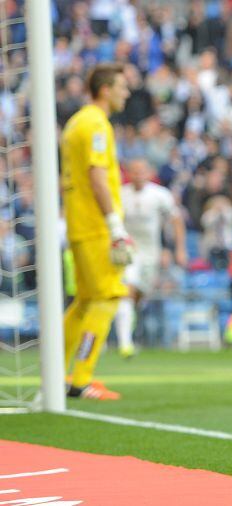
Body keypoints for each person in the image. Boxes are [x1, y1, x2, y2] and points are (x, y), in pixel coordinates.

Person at [60, 63, 132, 400]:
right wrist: (115, 224)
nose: (126, 92)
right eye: (121, 86)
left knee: (85, 301)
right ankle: (82, 378)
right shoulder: (96, 124)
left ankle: (56, 372)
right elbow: (97, 174)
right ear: (105, 89)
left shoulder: (77, 122)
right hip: (95, 226)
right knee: (108, 297)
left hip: (79, 223)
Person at [115, 158, 187, 358]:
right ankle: (125, 344)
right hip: (128, 251)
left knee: (139, 294)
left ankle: (129, 324)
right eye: (134, 171)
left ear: (148, 172)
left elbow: (175, 220)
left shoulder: (160, 195)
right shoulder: (121, 194)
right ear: (129, 173)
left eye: (141, 171)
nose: (138, 175)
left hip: (151, 252)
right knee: (126, 290)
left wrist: (176, 249)